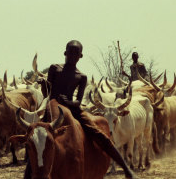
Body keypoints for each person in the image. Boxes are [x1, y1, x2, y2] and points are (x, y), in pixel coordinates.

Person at [42, 40, 136, 179]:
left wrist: (69, 102)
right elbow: (47, 94)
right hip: (52, 110)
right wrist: (44, 85)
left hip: (73, 110)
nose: (73, 55)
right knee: (37, 138)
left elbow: (78, 101)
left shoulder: (81, 76)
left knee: (100, 135)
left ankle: (127, 170)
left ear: (81, 56)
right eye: (70, 52)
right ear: (65, 53)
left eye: (76, 53)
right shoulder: (54, 69)